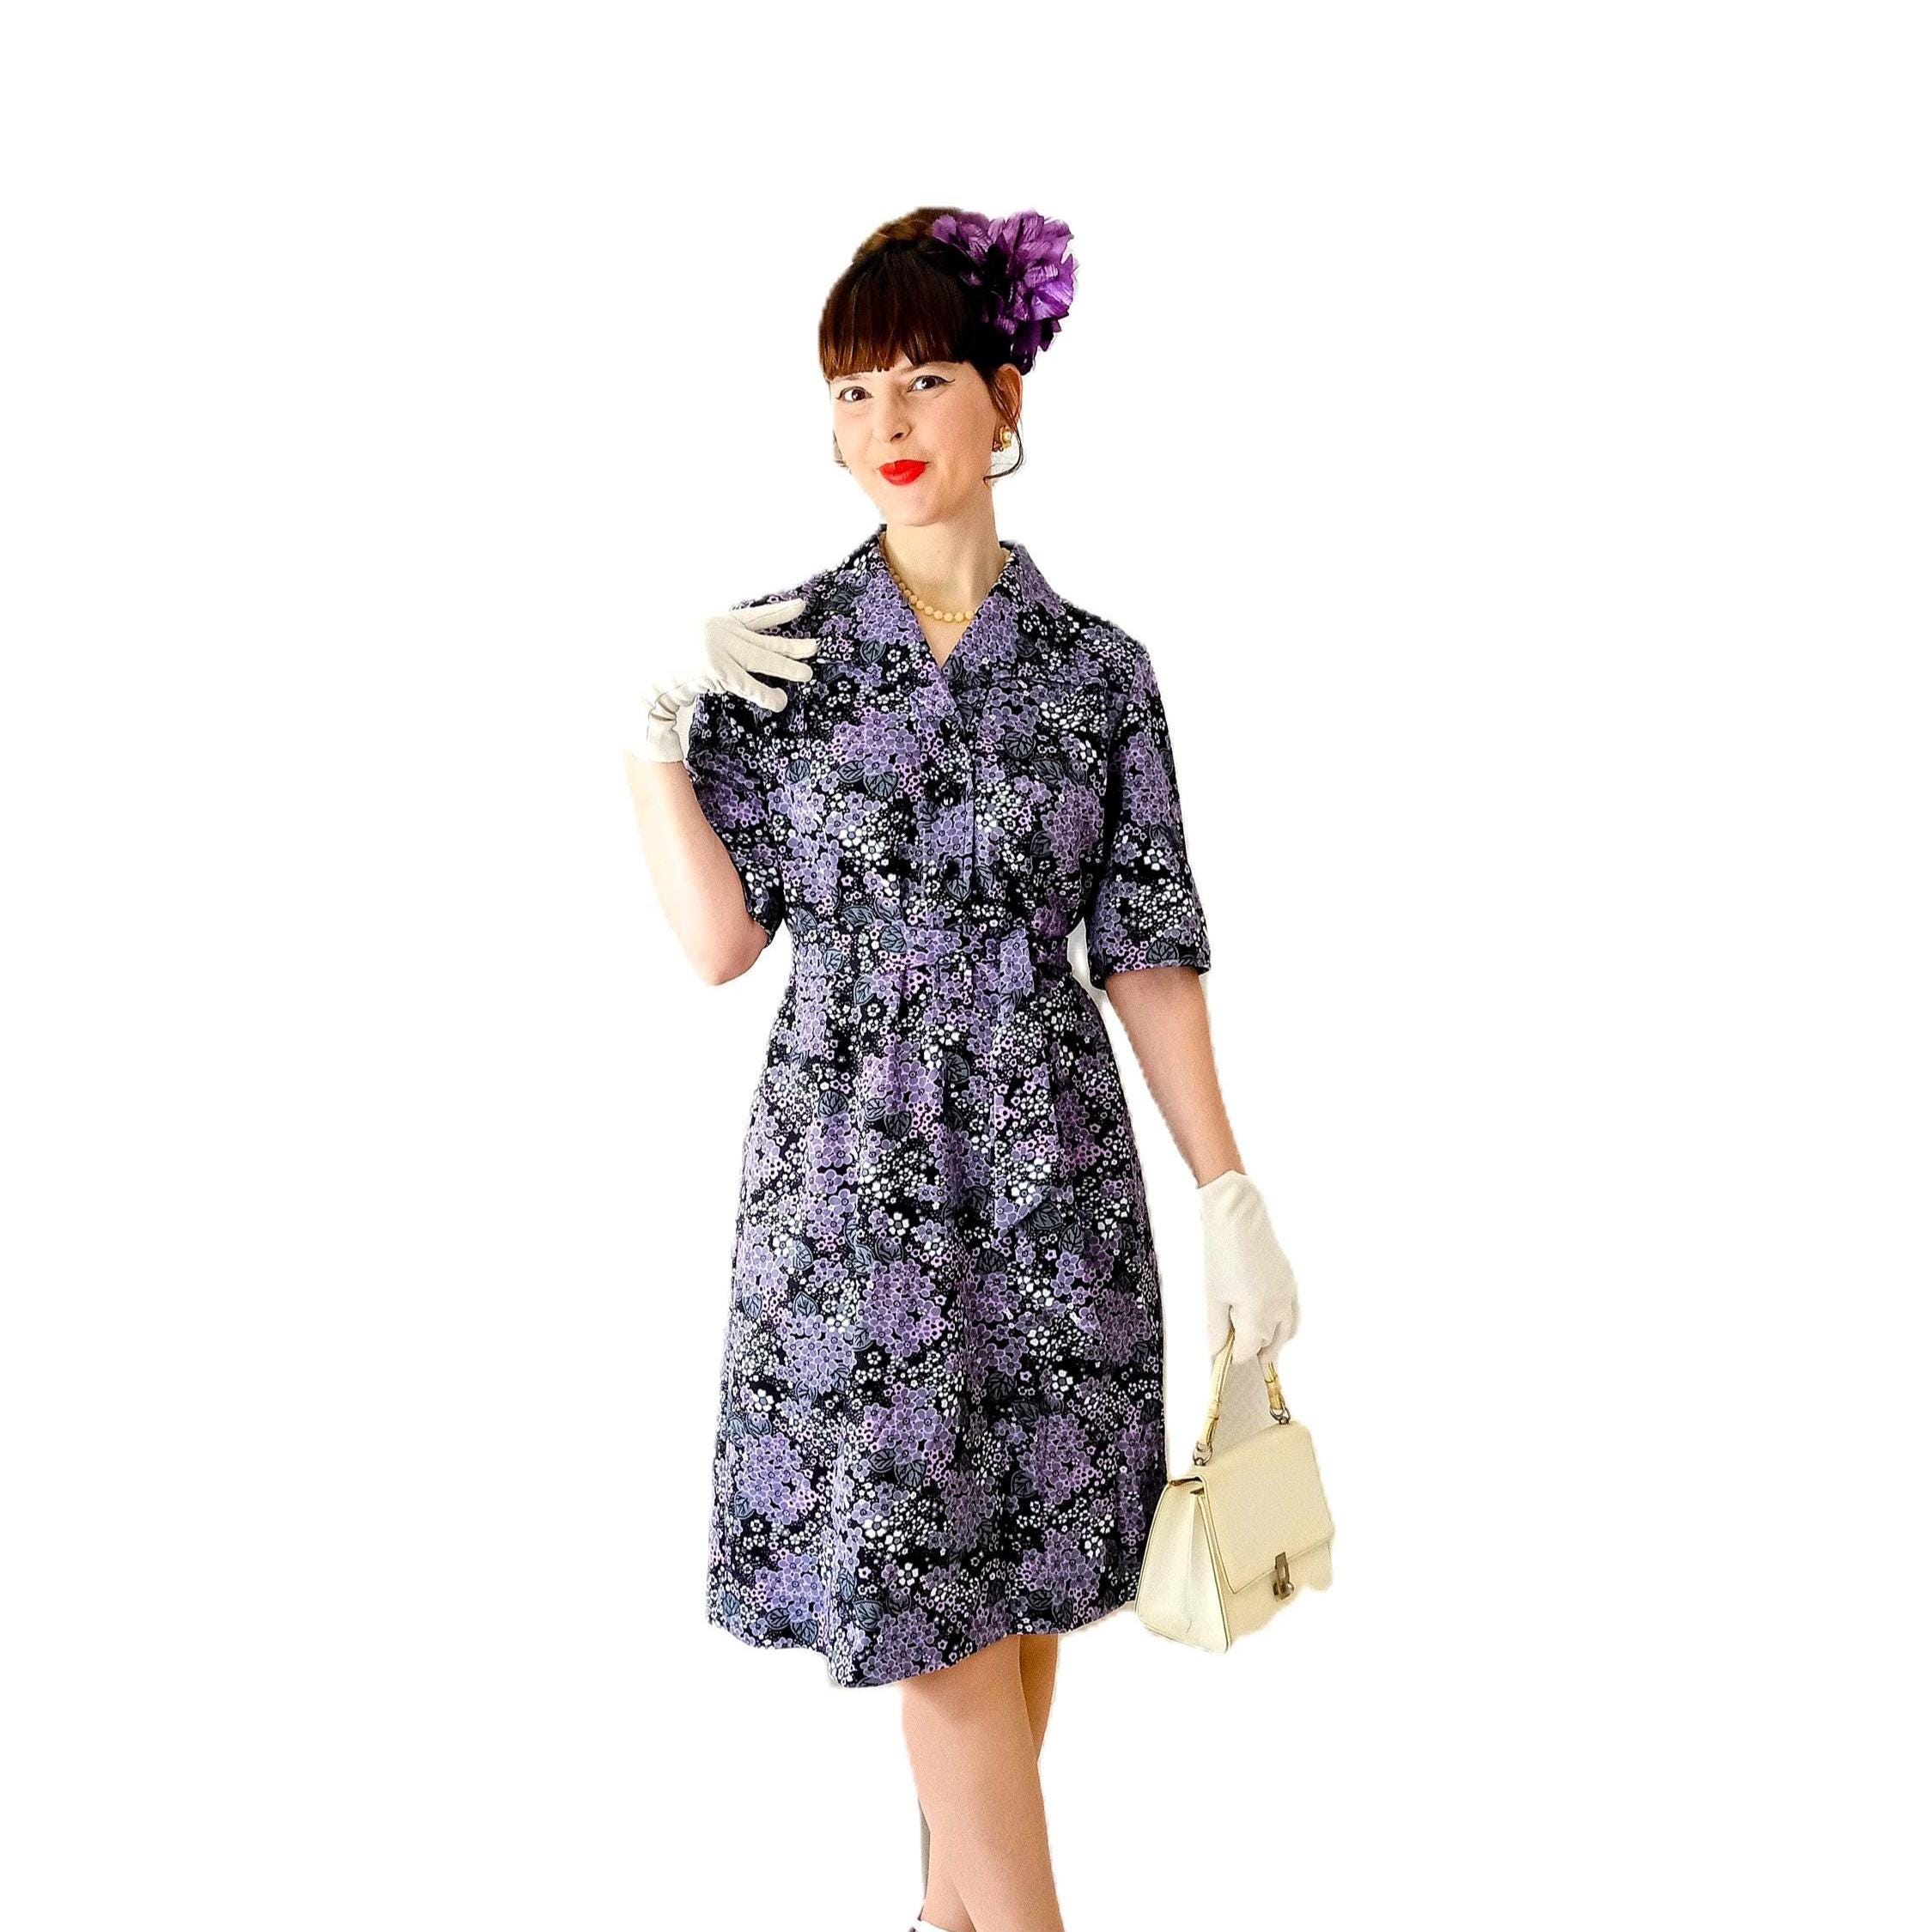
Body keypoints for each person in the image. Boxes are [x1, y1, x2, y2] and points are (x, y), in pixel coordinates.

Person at [623, 207, 1302, 1932]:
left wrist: (1226, 1189)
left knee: (1013, 1586)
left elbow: (1144, 949)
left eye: (923, 378)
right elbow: (720, 942)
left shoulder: (1097, 675)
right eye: (853, 390)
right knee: (923, 1594)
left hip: (1052, 1176)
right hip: (854, 1183)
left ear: (1005, 398)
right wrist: (651, 737)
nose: (887, 422)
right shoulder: (779, 658)